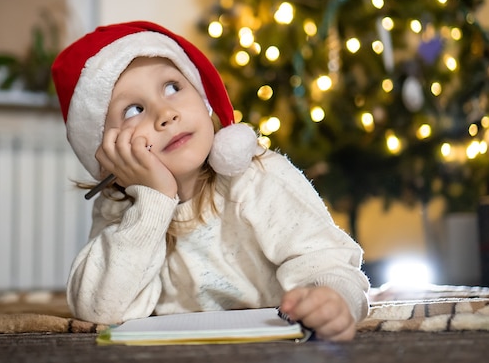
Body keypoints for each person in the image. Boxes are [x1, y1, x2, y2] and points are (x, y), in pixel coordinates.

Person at [51, 21, 370, 341]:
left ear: (203, 100)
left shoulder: (258, 177)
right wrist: (153, 198)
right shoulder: (121, 212)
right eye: (134, 109)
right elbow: (99, 311)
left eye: (173, 87)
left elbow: (329, 262)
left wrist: (333, 299)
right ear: (108, 153)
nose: (166, 113)